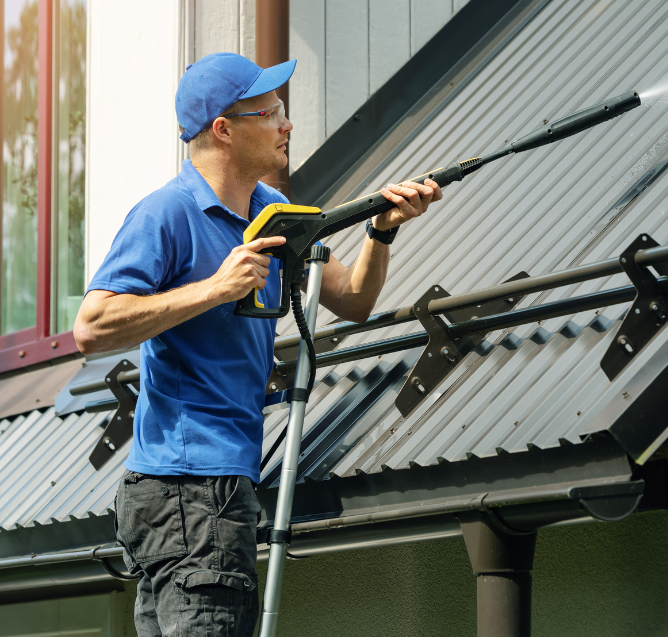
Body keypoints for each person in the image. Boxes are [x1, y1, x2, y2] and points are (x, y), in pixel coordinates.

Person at [73, 52, 442, 636]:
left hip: (205, 488)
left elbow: (352, 299)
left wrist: (381, 230)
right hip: (189, 489)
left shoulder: (273, 213)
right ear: (225, 129)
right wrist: (215, 288)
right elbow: (93, 326)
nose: (287, 125)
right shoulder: (167, 213)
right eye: (272, 113)